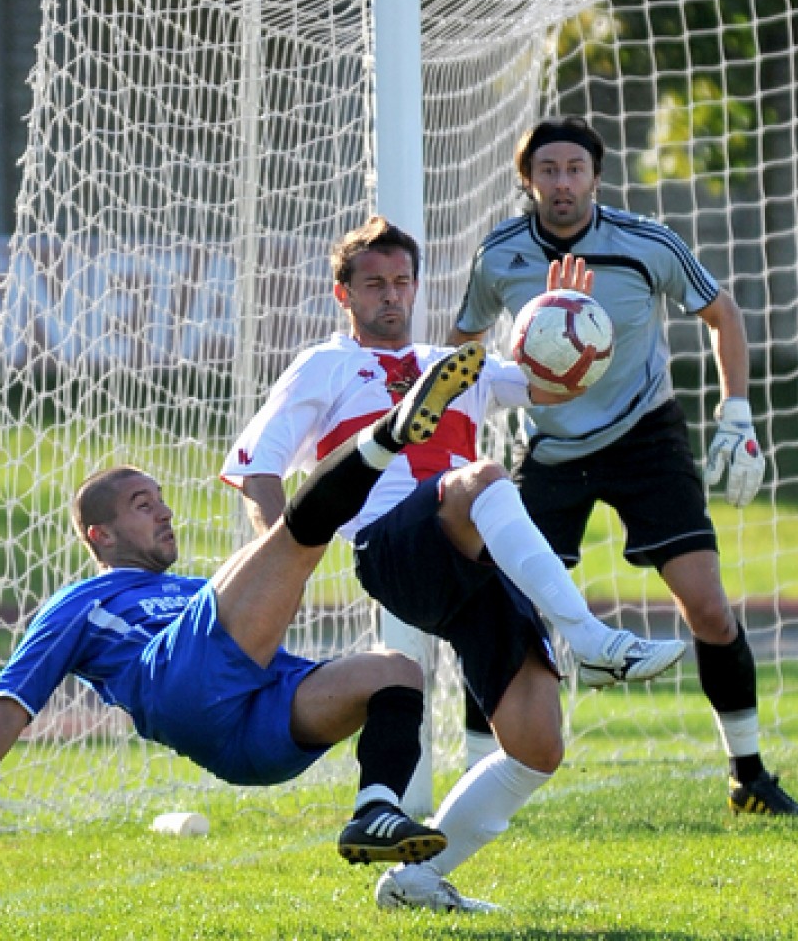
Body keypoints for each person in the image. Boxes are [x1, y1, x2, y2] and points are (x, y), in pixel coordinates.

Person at [220, 215, 685, 912]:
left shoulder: (455, 364)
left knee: (537, 745)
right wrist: (283, 555)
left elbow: (555, 385)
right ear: (342, 293)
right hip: (391, 545)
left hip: (471, 559)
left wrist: (568, 319)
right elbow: (258, 467)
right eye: (374, 284)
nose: (392, 297)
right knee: (484, 479)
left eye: (402, 282)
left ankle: (413, 884)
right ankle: (589, 640)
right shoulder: (324, 365)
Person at [0, 341, 490, 871]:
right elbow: (14, 695)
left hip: (253, 738)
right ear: (100, 535)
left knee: (396, 672)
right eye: (140, 504)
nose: (164, 512)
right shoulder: (81, 600)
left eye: (160, 499)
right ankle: (393, 430)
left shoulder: (192, 588)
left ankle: (374, 811)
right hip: (179, 686)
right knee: (294, 536)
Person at [448, 114, 798, 819]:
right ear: (528, 180)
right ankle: (469, 785)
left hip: (647, 438)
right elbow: (460, 348)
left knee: (705, 605)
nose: (562, 183)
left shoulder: (647, 243)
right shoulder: (499, 256)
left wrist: (736, 412)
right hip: (548, 450)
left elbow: (723, 314)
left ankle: (748, 776)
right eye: (548, 170)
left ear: (596, 177)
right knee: (500, 611)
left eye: (574, 169)